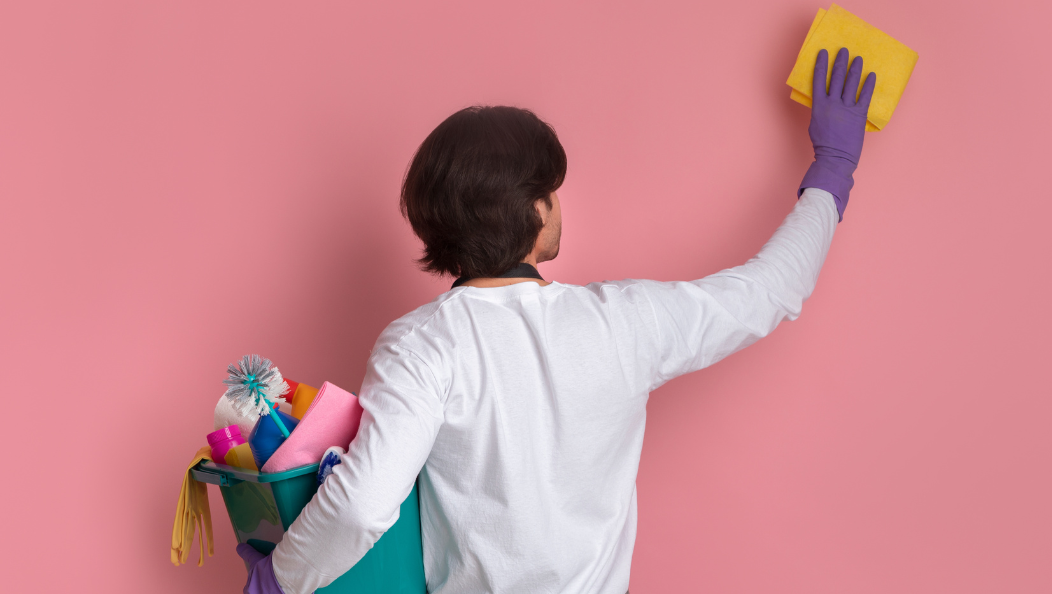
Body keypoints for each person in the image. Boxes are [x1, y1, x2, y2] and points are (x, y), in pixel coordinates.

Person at [240, 47, 876, 594]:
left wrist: (282, 576)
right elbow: (770, 290)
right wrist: (833, 170)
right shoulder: (625, 323)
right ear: (535, 208)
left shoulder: (420, 346)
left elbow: (361, 507)